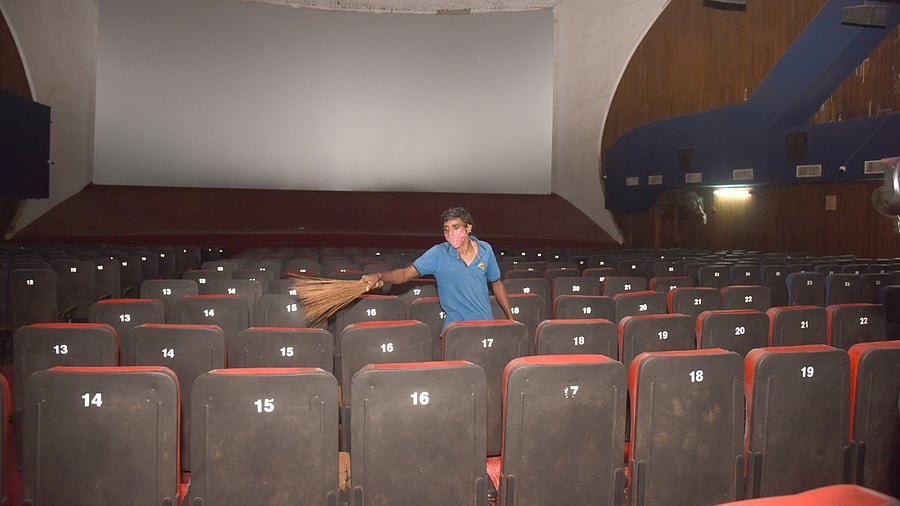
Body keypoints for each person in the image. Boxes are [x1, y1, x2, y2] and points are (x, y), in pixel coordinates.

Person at [361, 207, 514, 327]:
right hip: (456, 328)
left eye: (455, 227)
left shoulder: (485, 249)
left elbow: (496, 282)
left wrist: (510, 317)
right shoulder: (438, 253)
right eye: (446, 229)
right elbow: (405, 274)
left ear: (468, 228)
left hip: (486, 323)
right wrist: (380, 276)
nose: (450, 233)